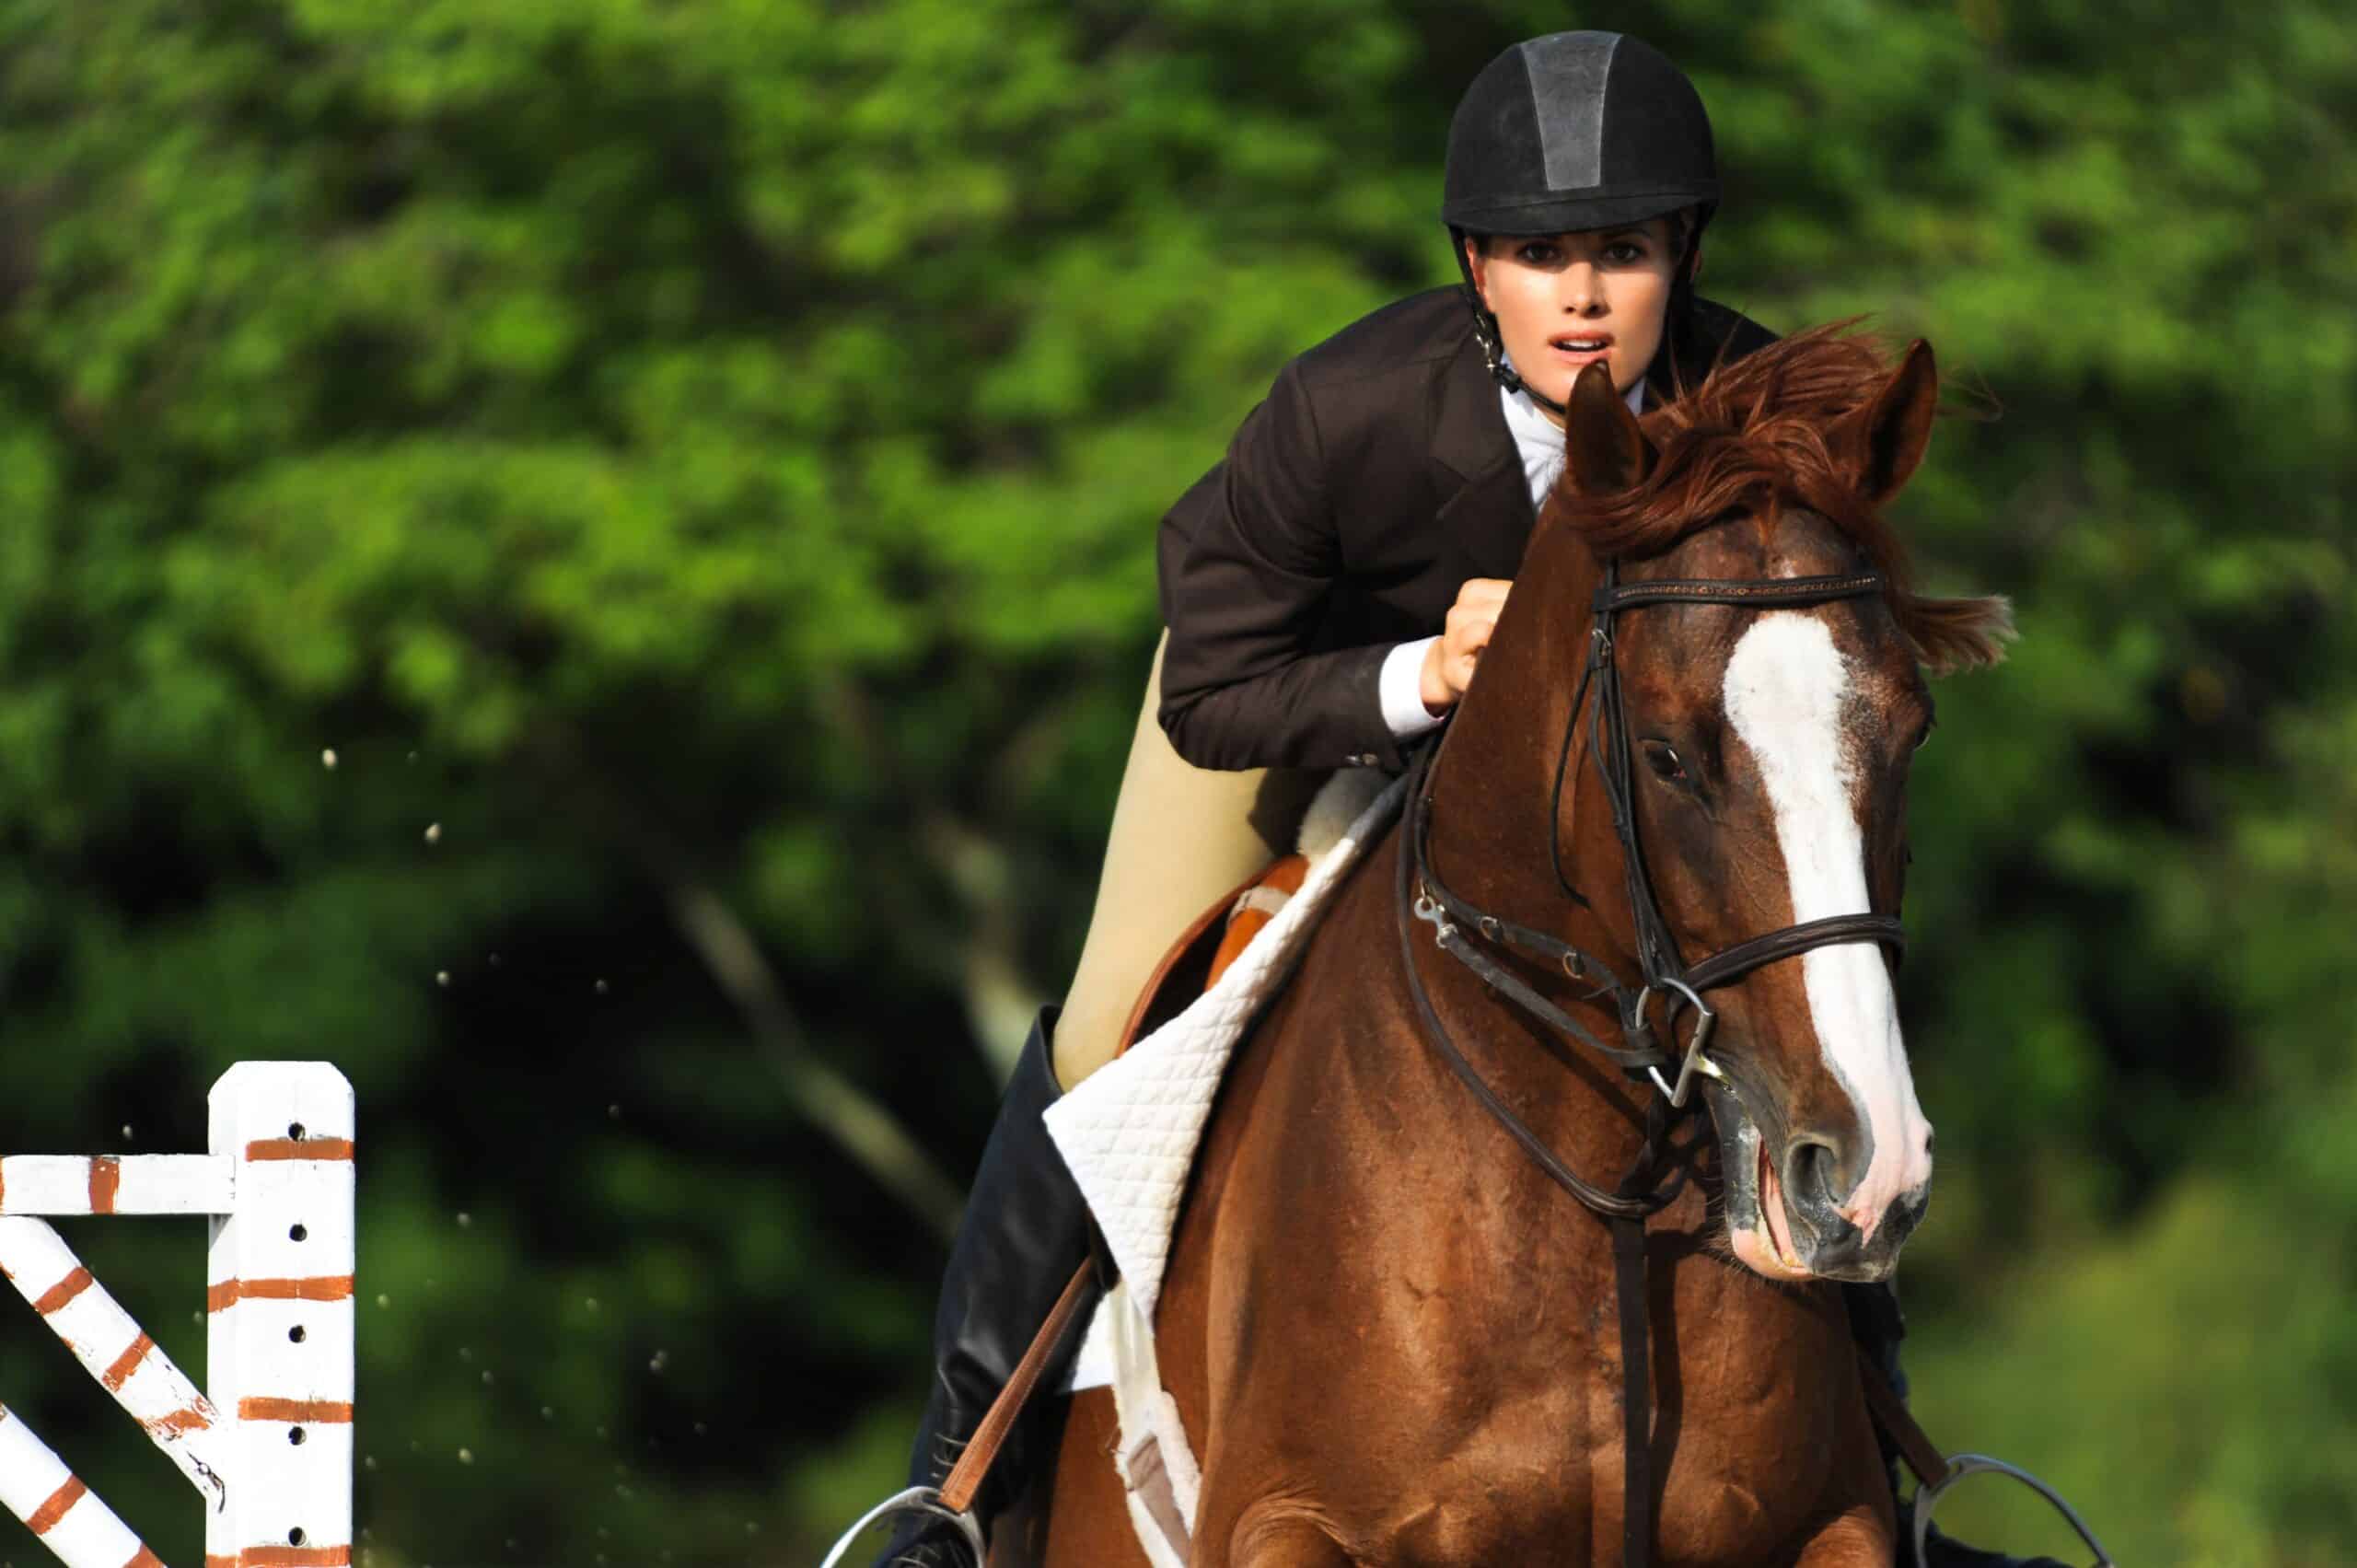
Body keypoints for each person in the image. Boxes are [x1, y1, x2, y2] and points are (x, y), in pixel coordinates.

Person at [877, 30, 2056, 1568]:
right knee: (1111, 1023)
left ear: (1679, 259)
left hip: (1621, 776)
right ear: (1475, 270)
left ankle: (1886, 1473)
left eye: (1621, 254)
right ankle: (956, 1489)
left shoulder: (1740, 400)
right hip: (1303, 714)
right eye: (1538, 255)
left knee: (1801, 1032)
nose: (1582, 295)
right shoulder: (1351, 410)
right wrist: (1421, 677)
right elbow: (1215, 686)